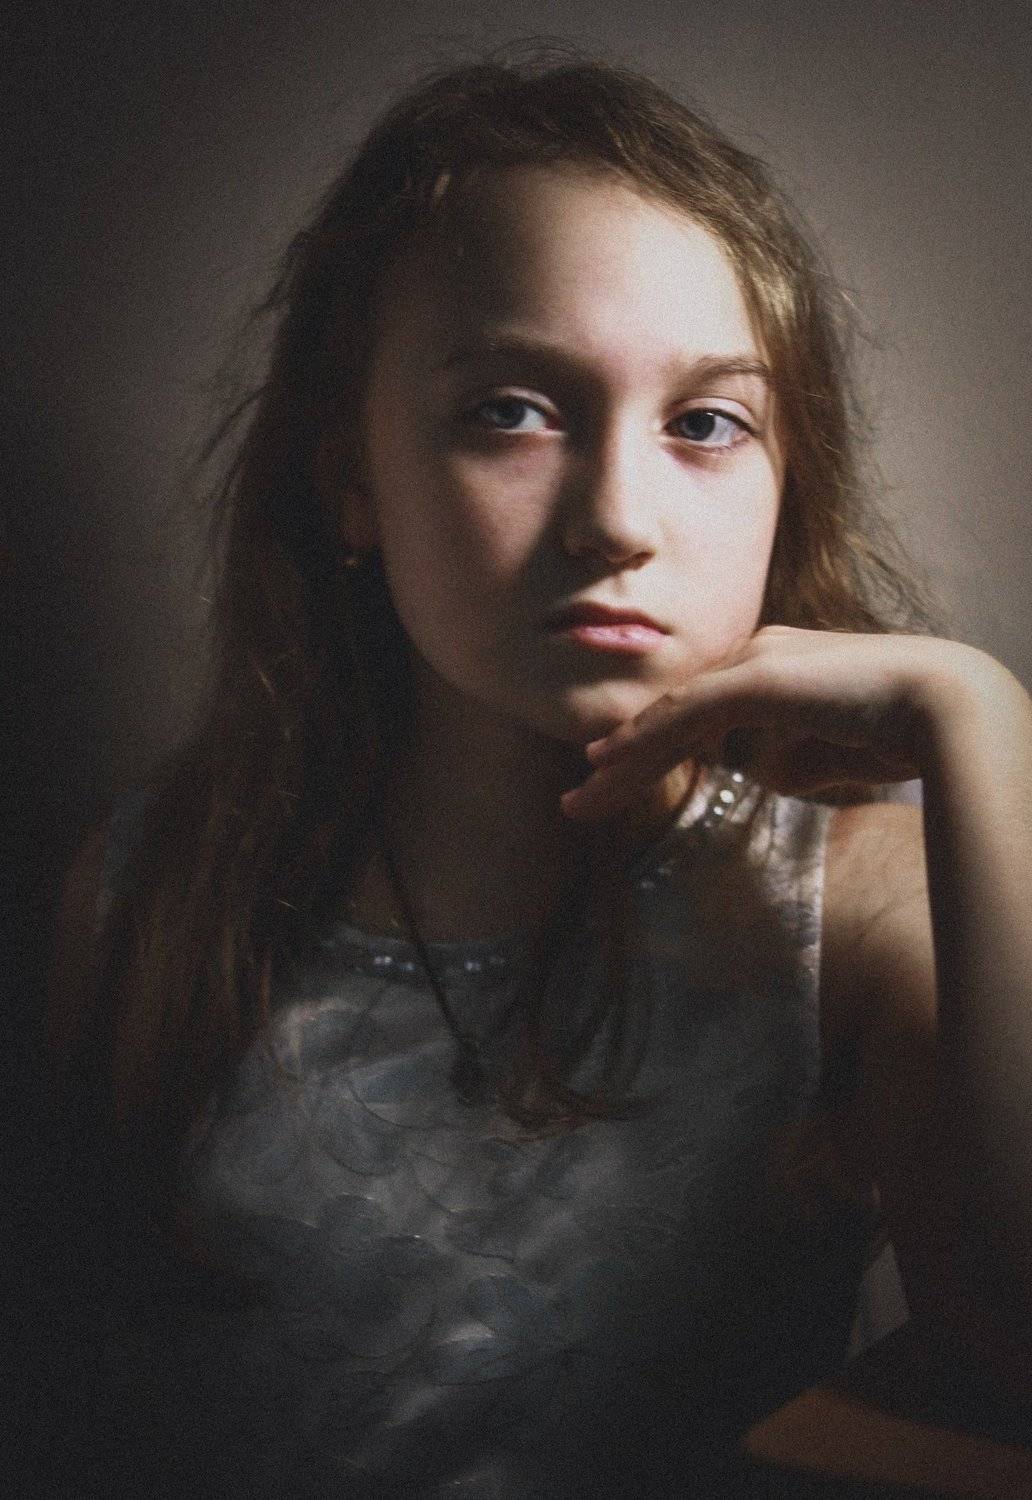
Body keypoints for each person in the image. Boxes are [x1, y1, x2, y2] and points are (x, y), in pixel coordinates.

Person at [40, 45, 1032, 1498]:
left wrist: (981, 720)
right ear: (352, 478)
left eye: (706, 423)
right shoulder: (160, 897)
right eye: (511, 409)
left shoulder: (859, 914)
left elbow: (1016, 1350)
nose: (616, 517)